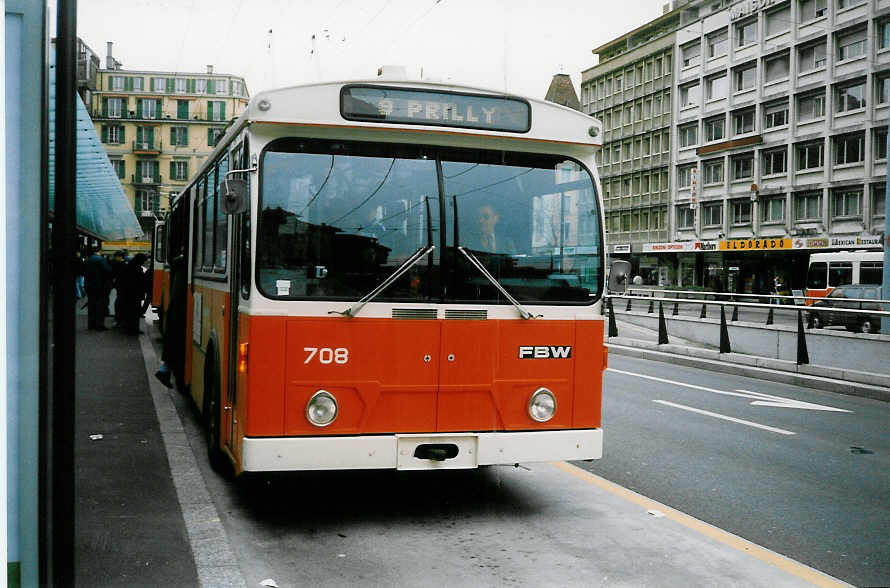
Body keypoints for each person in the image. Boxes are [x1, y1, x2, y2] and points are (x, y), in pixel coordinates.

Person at [155, 255, 187, 389]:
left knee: (174, 343)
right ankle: (169, 374)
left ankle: (165, 371)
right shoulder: (184, 274)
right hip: (180, 313)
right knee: (178, 345)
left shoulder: (177, 275)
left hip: (175, 312)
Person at [116, 253, 151, 334]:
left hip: (128, 293)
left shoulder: (129, 266)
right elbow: (140, 281)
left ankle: (129, 327)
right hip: (134, 294)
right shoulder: (137, 269)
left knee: (130, 311)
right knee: (134, 312)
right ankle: (133, 329)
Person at [83, 246, 112, 330]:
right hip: (99, 286)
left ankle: (91, 324)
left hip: (89, 286)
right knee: (100, 306)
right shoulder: (101, 260)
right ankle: (99, 325)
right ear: (99, 251)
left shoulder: (87, 260)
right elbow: (108, 271)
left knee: (91, 305)